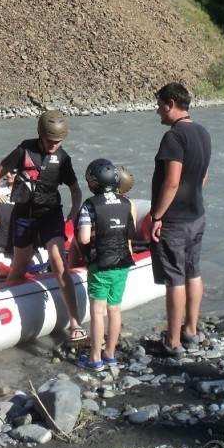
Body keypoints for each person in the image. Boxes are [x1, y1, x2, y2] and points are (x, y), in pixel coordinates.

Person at [0, 110, 85, 341]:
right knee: (20, 267)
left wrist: (73, 212)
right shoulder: (24, 150)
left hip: (50, 216)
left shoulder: (63, 158)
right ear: (40, 134)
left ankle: (75, 323)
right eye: (51, 141)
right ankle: (3, 313)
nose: (54, 145)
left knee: (59, 263)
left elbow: (75, 190)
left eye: (59, 142)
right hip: (23, 216)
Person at [149, 82, 211, 357]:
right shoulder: (202, 132)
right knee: (193, 271)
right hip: (197, 214)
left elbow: (172, 182)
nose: (158, 111)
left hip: (174, 221)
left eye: (160, 105)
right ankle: (191, 331)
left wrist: (157, 216)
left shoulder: (174, 137)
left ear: (171, 103)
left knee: (174, 277)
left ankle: (172, 342)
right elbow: (203, 176)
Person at [75, 159, 137, 371]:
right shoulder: (127, 203)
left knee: (97, 311)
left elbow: (83, 239)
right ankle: (110, 354)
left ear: (93, 182)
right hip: (122, 263)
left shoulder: (90, 205)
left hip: (100, 264)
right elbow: (130, 233)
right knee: (115, 309)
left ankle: (95, 358)